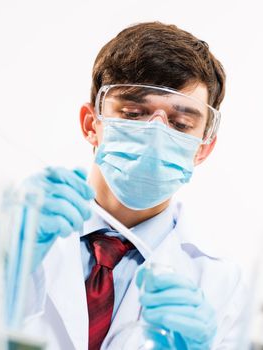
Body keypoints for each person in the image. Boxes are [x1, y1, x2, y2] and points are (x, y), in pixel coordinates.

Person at [23, 22, 246, 349]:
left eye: (181, 123)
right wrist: (1, 262)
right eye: (133, 112)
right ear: (91, 124)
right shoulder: (15, 228)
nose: (156, 134)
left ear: (203, 148)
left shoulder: (222, 286)